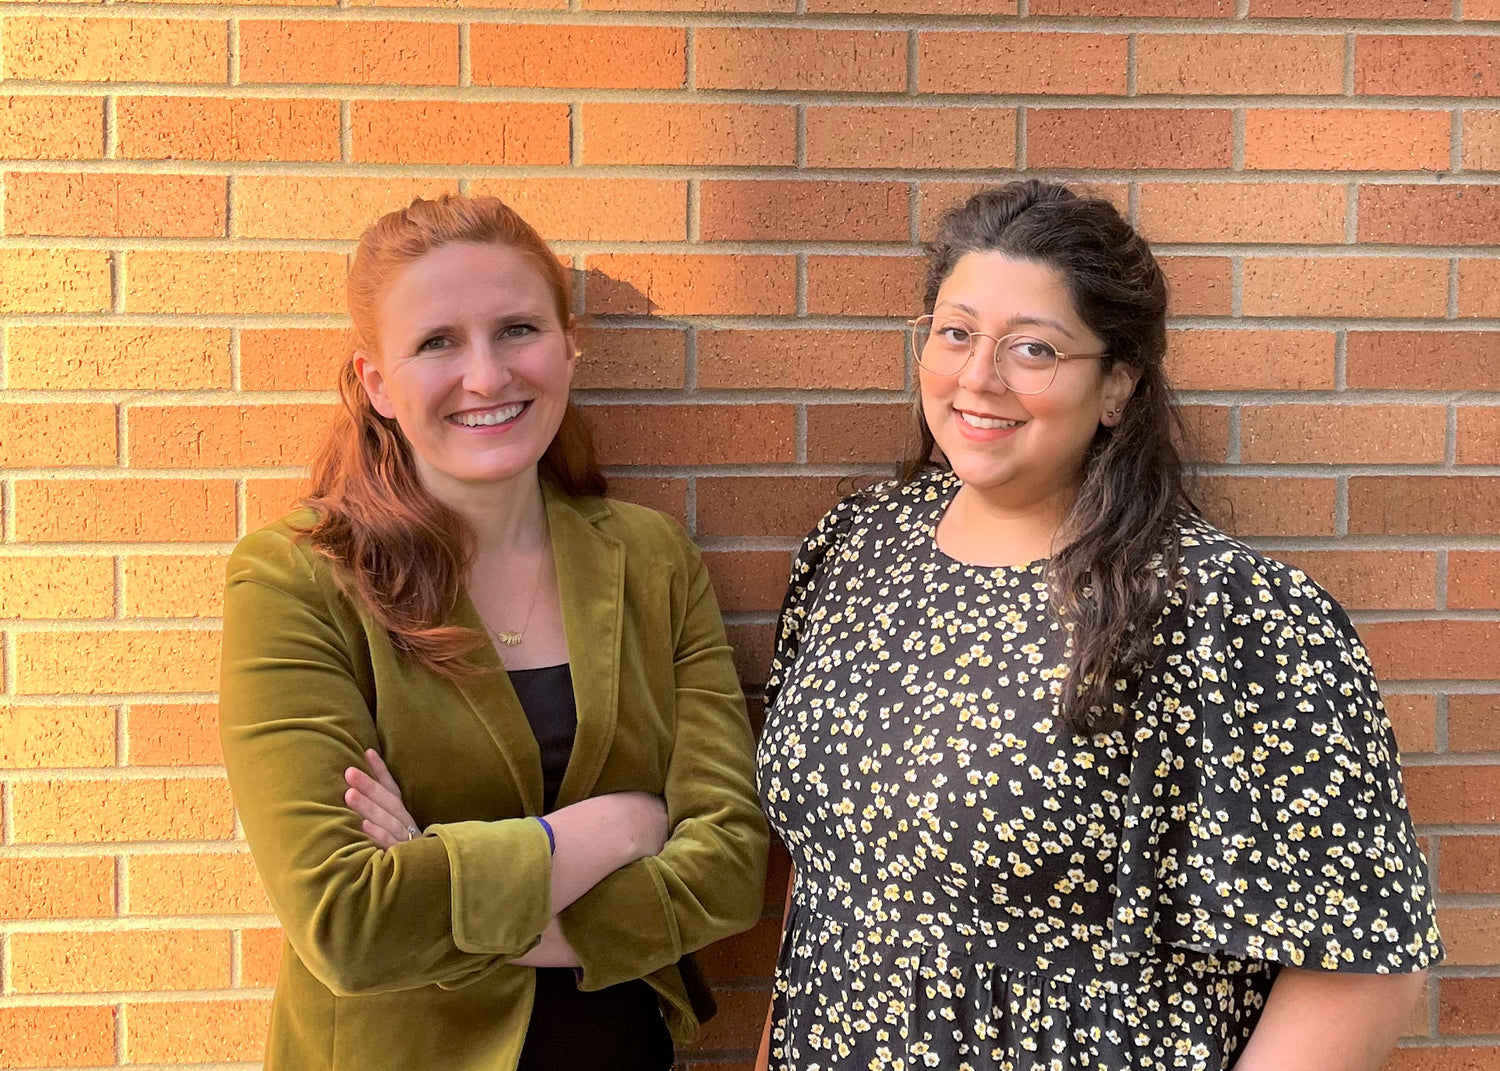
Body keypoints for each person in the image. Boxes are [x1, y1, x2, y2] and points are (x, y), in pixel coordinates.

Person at [754, 180, 1441, 1071]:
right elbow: (829, 879)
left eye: (1032, 349)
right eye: (955, 333)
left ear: (1117, 385)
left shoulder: (1228, 611)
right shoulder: (857, 547)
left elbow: (1364, 963)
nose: (977, 377)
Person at [219, 194, 768, 1071]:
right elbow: (349, 921)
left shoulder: (651, 558)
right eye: (437, 341)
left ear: (568, 344)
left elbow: (729, 868)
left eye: (517, 329)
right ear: (376, 383)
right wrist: (616, 829)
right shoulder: (297, 580)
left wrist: (438, 876)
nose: (486, 375)